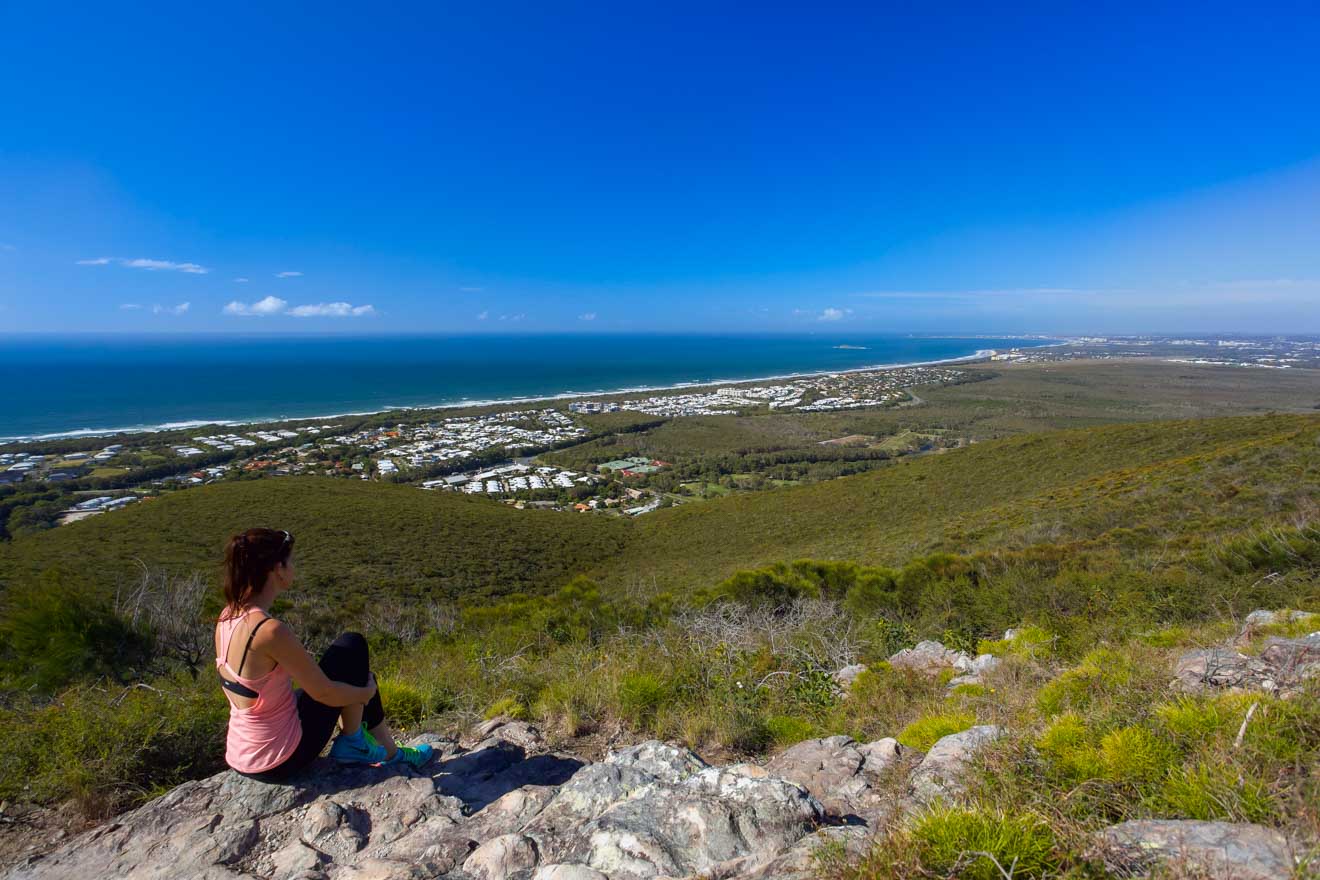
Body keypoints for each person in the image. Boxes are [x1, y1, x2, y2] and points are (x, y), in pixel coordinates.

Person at [214, 527, 432, 781]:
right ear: (277, 569)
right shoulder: (268, 630)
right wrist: (365, 694)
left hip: (244, 754)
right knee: (353, 648)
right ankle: (358, 745)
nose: (294, 567)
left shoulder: (228, 615)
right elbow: (324, 693)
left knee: (355, 668)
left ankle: (386, 749)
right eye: (291, 561)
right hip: (279, 759)